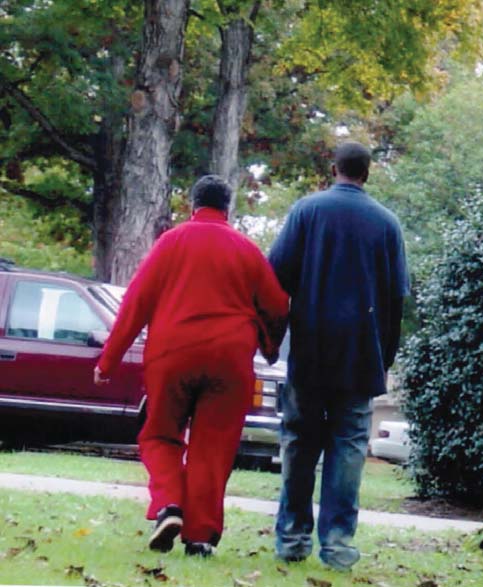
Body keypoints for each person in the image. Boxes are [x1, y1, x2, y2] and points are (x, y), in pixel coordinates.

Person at [94, 175, 289, 557]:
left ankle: (169, 505)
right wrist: (269, 347)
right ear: (228, 209)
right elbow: (278, 305)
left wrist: (109, 360)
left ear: (192, 206)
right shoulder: (247, 250)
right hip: (230, 361)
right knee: (212, 447)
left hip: (172, 355)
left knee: (159, 434)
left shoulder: (171, 242)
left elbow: (137, 302)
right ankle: (199, 537)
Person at [268, 141, 409, 571]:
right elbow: (396, 300)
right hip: (360, 353)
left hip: (310, 349)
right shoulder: (387, 224)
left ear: (334, 169)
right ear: (368, 172)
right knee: (348, 448)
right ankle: (339, 545)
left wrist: (276, 340)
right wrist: (384, 356)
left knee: (299, 440)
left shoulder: (307, 212)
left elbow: (276, 277)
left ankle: (292, 539)